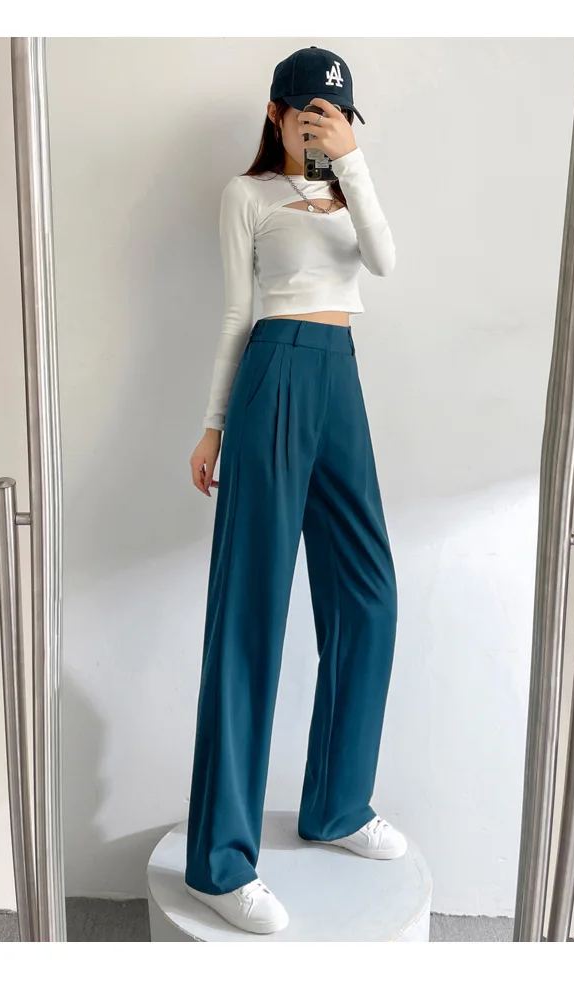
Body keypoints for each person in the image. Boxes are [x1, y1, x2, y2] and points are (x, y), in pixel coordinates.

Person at [184, 45, 403, 936]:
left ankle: (338, 804)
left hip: (340, 374)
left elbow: (384, 261)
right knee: (251, 612)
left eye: (335, 114)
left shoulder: (351, 185)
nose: (320, 124)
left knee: (369, 596)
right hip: (274, 371)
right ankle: (220, 861)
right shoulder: (246, 195)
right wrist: (213, 425)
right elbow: (237, 312)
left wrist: (351, 161)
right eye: (308, 112)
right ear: (276, 112)